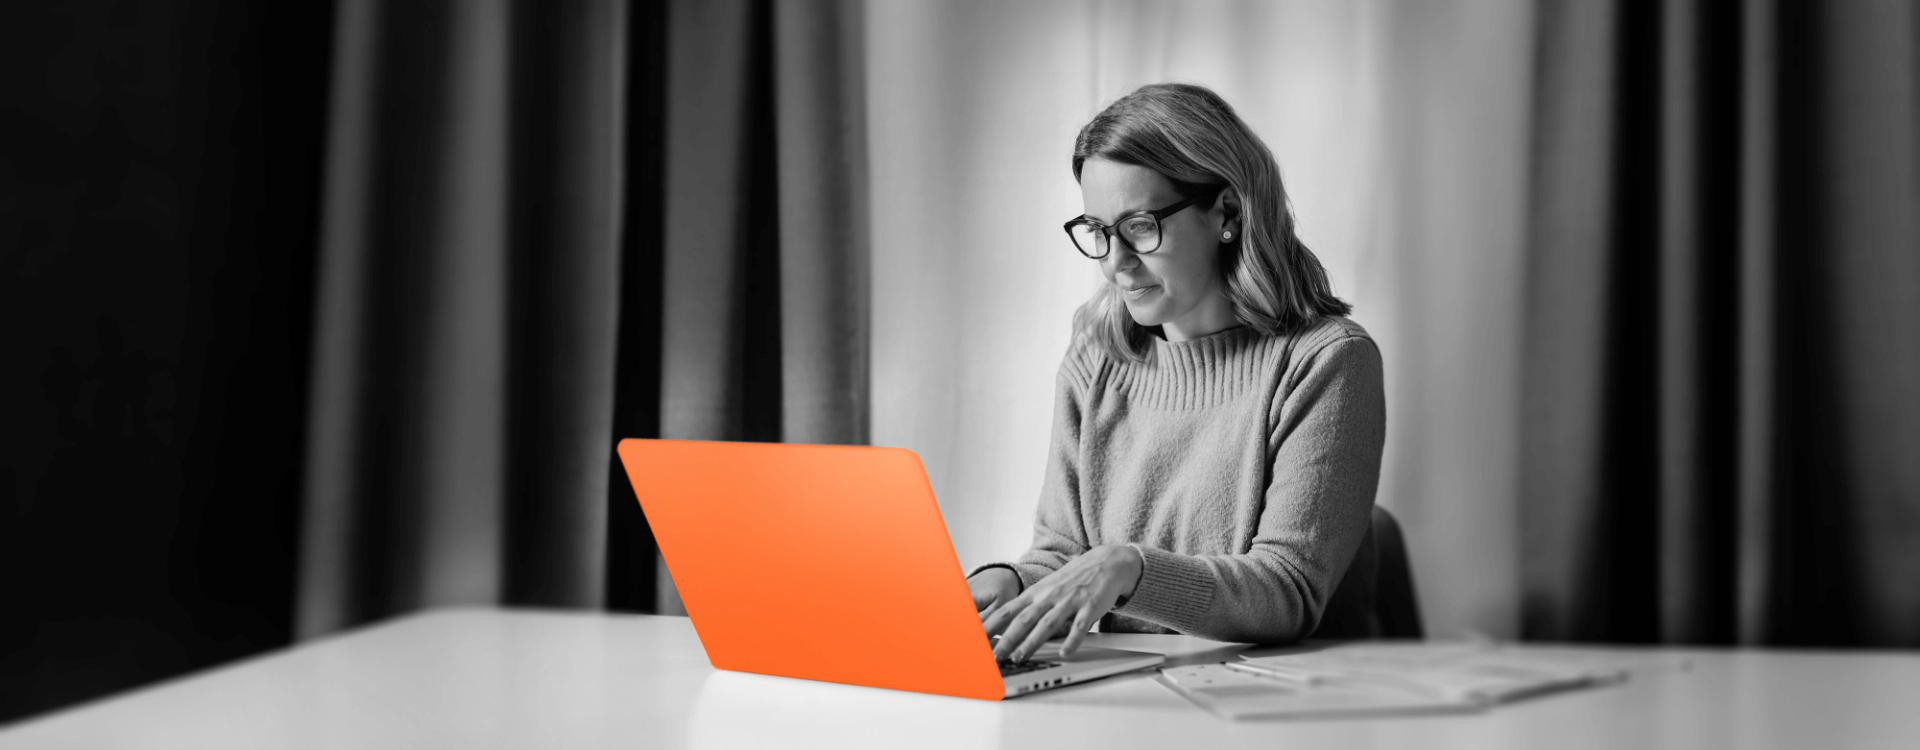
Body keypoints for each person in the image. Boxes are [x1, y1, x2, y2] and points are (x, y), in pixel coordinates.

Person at [970, 83, 1386, 664]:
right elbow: (1062, 554)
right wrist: (1010, 584)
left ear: (1228, 214)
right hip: (1128, 696)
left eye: (1140, 226)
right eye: (1098, 231)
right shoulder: (1095, 359)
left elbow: (1287, 591)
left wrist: (1130, 568)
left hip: (1280, 711)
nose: (1115, 263)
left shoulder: (1327, 362)